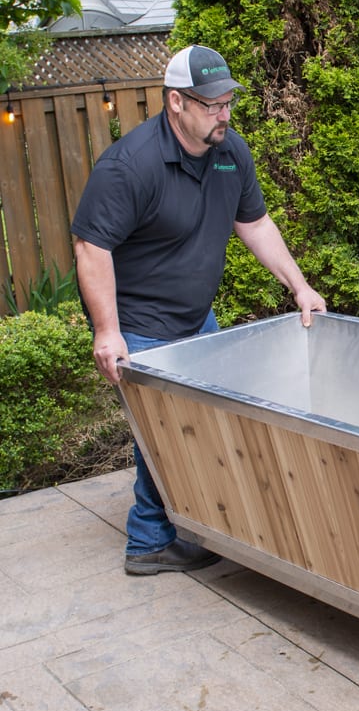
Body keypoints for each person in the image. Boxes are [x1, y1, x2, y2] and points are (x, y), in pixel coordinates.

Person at [72, 44, 327, 577]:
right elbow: (91, 248)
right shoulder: (130, 165)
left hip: (195, 321)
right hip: (140, 326)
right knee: (161, 435)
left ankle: (192, 523)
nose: (223, 114)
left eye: (228, 102)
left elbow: (254, 223)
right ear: (175, 103)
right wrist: (108, 333)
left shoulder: (230, 150)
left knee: (199, 429)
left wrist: (299, 286)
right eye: (211, 105)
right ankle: (147, 542)